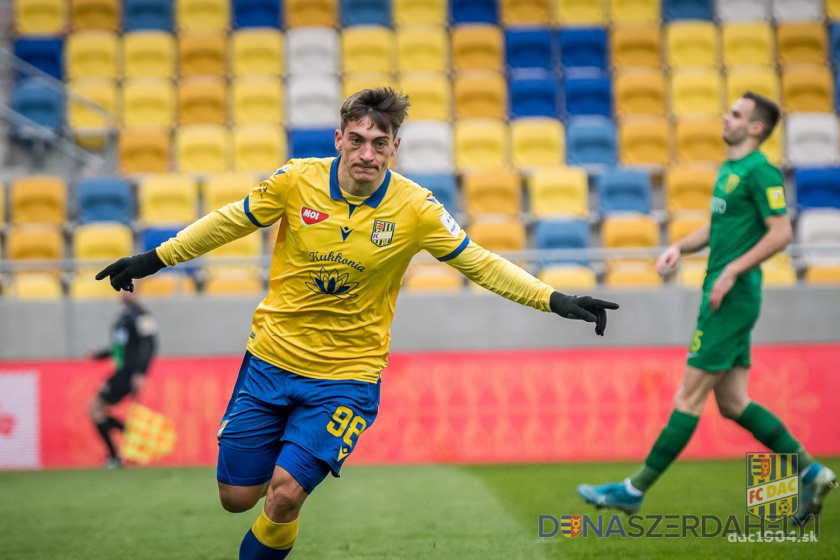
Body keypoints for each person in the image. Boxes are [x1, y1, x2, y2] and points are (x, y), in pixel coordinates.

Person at [96, 88, 620, 559]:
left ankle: (281, 509)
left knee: (283, 495)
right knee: (236, 498)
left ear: (395, 148)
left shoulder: (416, 208)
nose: (367, 153)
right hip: (270, 361)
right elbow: (228, 221)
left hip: (347, 377)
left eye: (379, 143)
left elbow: (479, 262)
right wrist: (152, 260)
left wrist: (554, 299)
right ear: (339, 140)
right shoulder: (296, 181)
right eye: (357, 140)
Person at [577, 92, 836, 523]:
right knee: (733, 402)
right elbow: (719, 226)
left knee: (688, 396)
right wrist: (680, 246)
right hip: (724, 294)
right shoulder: (731, 169)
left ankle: (633, 490)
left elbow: (781, 233)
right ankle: (812, 472)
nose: (726, 117)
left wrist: (731, 271)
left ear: (755, 127)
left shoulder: (760, 171)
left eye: (736, 114)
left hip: (731, 297)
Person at [88, 288, 158, 468]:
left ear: (138, 292)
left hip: (129, 373)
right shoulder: (123, 316)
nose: (127, 293)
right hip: (121, 371)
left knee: (95, 408)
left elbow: (150, 344)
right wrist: (100, 355)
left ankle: (116, 454)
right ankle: (127, 439)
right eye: (125, 289)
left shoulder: (142, 316)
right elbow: (120, 347)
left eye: (131, 289)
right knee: (97, 410)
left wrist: (141, 372)